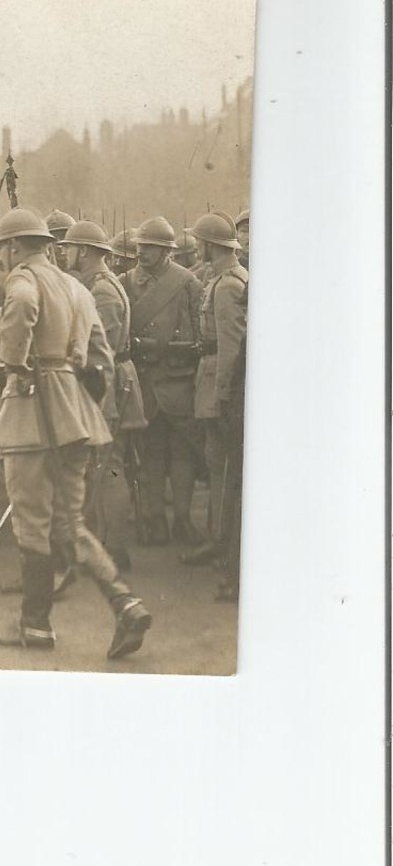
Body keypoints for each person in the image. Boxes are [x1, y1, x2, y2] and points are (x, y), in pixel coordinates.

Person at [0, 208, 152, 659]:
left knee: (31, 520)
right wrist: (80, 396)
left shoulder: (22, 280)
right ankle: (125, 603)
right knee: (70, 522)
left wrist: (13, 365)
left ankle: (35, 625)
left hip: (32, 412)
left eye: (2, 248)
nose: (0, 257)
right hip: (75, 410)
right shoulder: (77, 287)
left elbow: (21, 312)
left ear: (16, 247)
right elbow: (101, 357)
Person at [64, 221, 148, 570]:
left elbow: (103, 350)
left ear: (83, 251)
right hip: (106, 382)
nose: (64, 252)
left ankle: (114, 549)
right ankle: (103, 543)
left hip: (108, 386)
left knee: (108, 466)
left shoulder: (102, 292)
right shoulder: (96, 285)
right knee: (101, 465)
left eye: (69, 247)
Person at [125, 215, 204, 546]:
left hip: (178, 381)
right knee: (150, 454)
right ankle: (153, 518)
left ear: (167, 251)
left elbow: (201, 333)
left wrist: (183, 349)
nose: (143, 252)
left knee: (183, 454)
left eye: (151, 247)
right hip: (144, 383)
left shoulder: (187, 283)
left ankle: (182, 519)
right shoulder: (125, 281)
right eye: (141, 246)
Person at [180, 213, 248, 599]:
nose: (195, 247)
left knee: (222, 468)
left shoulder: (227, 286)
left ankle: (223, 543)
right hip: (210, 380)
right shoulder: (224, 281)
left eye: (199, 242)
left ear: (210, 246)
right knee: (216, 464)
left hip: (220, 386)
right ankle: (218, 540)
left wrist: (224, 393)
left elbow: (232, 346)